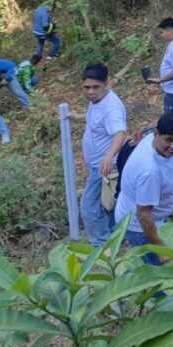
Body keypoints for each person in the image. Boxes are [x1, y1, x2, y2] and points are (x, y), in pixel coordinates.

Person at [114, 112, 173, 266]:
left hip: (153, 218)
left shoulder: (152, 141)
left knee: (144, 267)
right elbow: (144, 215)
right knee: (153, 273)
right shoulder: (150, 173)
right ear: (157, 134)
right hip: (140, 228)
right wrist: (161, 248)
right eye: (169, 140)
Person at [69, 62, 127, 247]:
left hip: (105, 167)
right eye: (86, 87)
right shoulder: (97, 101)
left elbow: (120, 133)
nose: (90, 92)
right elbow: (94, 118)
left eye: (95, 87)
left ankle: (100, 245)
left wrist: (108, 157)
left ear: (106, 84)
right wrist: (77, 117)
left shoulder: (112, 109)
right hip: (98, 166)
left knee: (89, 207)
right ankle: (114, 237)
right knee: (108, 203)